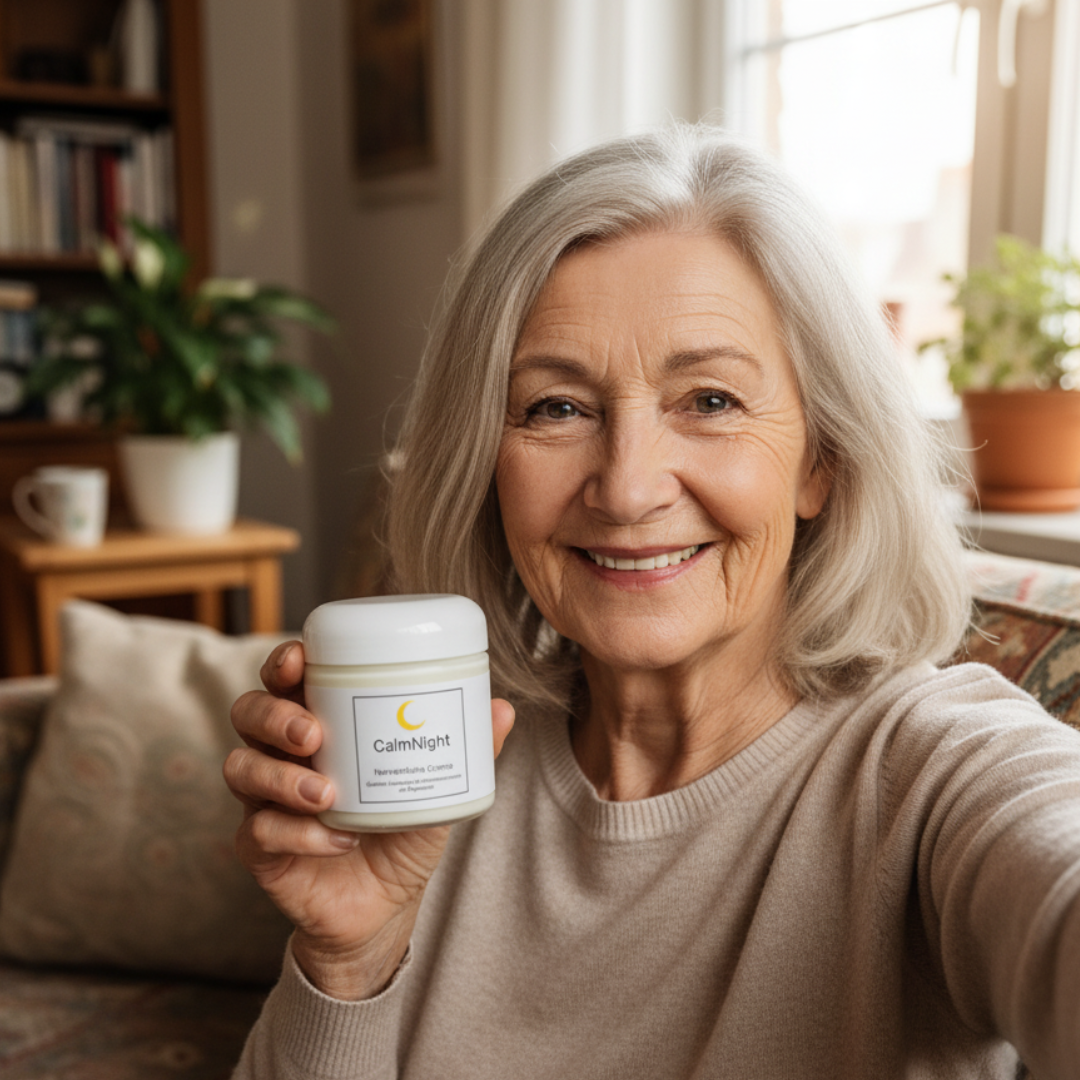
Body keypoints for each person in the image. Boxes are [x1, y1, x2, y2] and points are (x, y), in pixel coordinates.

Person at [225, 125, 1080, 1079]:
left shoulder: (936, 770)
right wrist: (348, 962)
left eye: (709, 400)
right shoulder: (431, 761)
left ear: (822, 460)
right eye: (557, 407)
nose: (627, 488)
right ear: (486, 463)